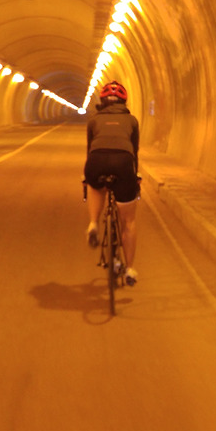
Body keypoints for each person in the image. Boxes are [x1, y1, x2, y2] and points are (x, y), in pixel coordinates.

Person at [84, 80, 141, 286]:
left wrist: (89, 175)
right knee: (129, 222)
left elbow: (90, 149)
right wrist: (134, 176)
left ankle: (93, 223)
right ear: (124, 102)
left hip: (96, 161)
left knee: (94, 185)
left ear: (103, 101)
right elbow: (134, 152)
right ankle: (130, 269)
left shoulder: (94, 120)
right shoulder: (132, 121)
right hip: (123, 163)